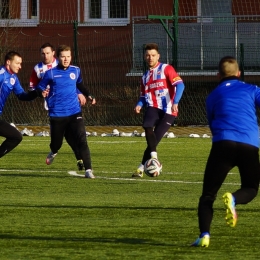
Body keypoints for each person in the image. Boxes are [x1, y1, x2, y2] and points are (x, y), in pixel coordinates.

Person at [191, 56, 260, 247]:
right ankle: (234, 198)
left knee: (208, 195)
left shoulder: (212, 95)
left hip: (223, 144)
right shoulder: (252, 89)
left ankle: (204, 235)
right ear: (239, 74)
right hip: (249, 144)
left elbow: (212, 124)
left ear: (218, 75)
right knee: (251, 188)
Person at [36, 44, 96, 178]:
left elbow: (79, 84)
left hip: (74, 112)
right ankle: (53, 151)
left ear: (71, 57)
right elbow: (39, 87)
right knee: (57, 144)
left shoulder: (76, 70)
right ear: (58, 57)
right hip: (57, 114)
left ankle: (88, 170)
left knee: (82, 139)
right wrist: (42, 93)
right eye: (63, 56)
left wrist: (88, 94)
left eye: (68, 56)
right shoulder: (50, 73)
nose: (66, 59)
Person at [132, 43, 185, 177]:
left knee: (154, 139)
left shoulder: (166, 68)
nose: (150, 58)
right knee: (147, 125)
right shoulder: (144, 77)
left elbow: (180, 85)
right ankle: (154, 158)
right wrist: (139, 104)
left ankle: (140, 167)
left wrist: (176, 102)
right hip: (153, 107)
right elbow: (143, 96)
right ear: (145, 57)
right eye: (148, 55)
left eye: (153, 55)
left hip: (168, 110)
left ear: (158, 56)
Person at [0, 51, 43, 158]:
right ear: (8, 62)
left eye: (20, 63)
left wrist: (37, 93)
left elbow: (22, 95)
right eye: (17, 63)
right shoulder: (1, 74)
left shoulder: (13, 78)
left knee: (16, 137)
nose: (20, 66)